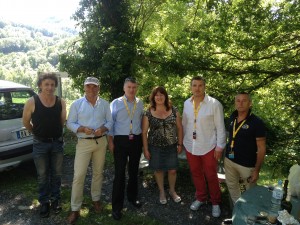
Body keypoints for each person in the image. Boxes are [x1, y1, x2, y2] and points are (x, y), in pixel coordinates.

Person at [66, 77, 113, 224]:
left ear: (98, 88)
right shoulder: (77, 104)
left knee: (98, 173)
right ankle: (75, 208)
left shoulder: (105, 104)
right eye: (89, 86)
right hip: (84, 143)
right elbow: (70, 123)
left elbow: (110, 121)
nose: (92, 89)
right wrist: (81, 129)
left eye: (95, 87)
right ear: (84, 87)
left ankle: (96, 200)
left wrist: (103, 129)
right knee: (79, 175)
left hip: (100, 142)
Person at [22, 73, 67, 218]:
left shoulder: (61, 101)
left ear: (55, 86)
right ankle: (44, 202)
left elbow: (61, 122)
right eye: (46, 84)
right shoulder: (32, 101)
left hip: (57, 143)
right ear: (40, 85)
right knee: (42, 175)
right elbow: (26, 122)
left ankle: (55, 200)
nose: (49, 87)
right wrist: (36, 133)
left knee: (57, 174)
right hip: (40, 144)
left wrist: (55, 133)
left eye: (52, 85)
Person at [182, 76, 226, 218]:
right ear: (191, 87)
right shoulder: (186, 103)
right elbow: (184, 124)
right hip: (190, 145)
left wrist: (219, 147)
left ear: (205, 87)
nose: (197, 88)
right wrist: (181, 142)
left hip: (209, 146)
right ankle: (201, 197)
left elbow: (220, 127)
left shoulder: (214, 104)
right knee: (196, 173)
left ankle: (215, 202)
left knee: (211, 175)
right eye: (194, 85)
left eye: (200, 85)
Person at [108, 77, 144, 220]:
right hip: (120, 140)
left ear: (137, 88)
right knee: (120, 173)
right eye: (129, 87)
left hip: (135, 139)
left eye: (134, 87)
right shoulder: (116, 103)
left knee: (134, 171)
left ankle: (132, 197)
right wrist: (110, 142)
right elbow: (110, 123)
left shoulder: (140, 103)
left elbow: (141, 121)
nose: (131, 90)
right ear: (124, 88)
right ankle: (116, 207)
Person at [142, 86, 183, 205]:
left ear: (165, 96)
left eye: (161, 94)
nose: (159, 97)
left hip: (171, 146)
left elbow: (180, 128)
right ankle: (161, 192)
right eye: (157, 95)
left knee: (172, 170)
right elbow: (144, 132)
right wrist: (145, 149)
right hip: (155, 147)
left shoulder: (174, 110)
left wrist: (180, 143)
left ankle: (172, 190)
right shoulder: (148, 112)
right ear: (153, 97)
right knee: (158, 170)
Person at [224, 92, 266, 204]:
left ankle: (248, 218)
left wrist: (256, 170)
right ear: (235, 103)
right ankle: (237, 215)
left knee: (247, 194)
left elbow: (261, 148)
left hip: (246, 165)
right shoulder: (232, 117)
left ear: (250, 103)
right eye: (238, 100)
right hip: (229, 161)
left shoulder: (257, 122)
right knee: (233, 188)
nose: (240, 103)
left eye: (244, 100)